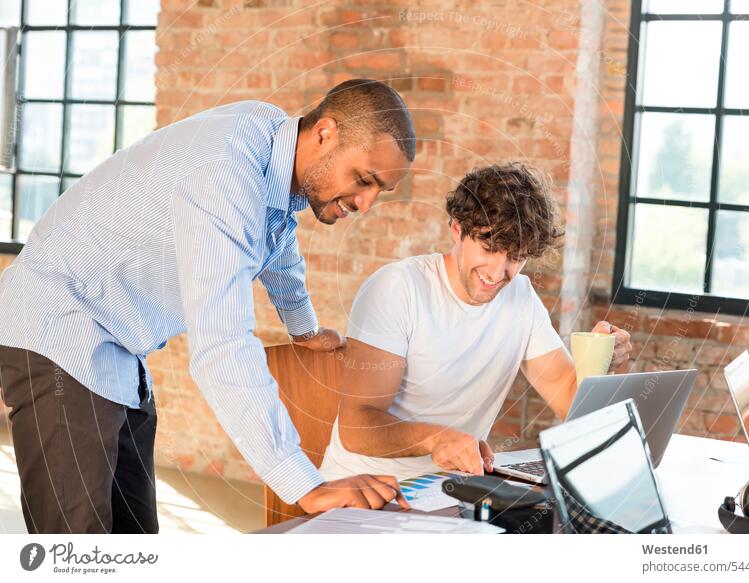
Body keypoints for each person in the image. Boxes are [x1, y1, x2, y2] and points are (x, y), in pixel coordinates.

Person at [0, 78, 415, 533]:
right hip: (60, 328)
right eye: (363, 179)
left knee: (134, 542)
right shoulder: (225, 170)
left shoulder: (270, 139)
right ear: (325, 134)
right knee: (77, 551)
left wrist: (303, 328)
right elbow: (222, 344)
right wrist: (304, 486)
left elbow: (277, 239)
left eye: (381, 190)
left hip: (116, 344)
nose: (366, 203)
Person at [320, 162, 633, 481]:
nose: (498, 274)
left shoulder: (521, 298)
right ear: (457, 228)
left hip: (451, 488)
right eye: (489, 248)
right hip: (363, 487)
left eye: (515, 257)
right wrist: (437, 439)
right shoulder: (397, 289)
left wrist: (604, 364)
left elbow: (571, 404)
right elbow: (357, 428)